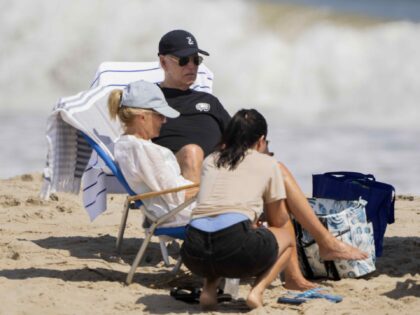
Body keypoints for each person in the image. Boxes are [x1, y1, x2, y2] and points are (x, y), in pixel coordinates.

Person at [180, 109, 368, 309]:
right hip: (232, 248)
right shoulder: (268, 163)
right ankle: (258, 291)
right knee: (286, 236)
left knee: (217, 234)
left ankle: (209, 290)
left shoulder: (211, 160)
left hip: (193, 253)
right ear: (261, 141)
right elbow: (278, 220)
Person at [108, 79, 198, 227]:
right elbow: (176, 194)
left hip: (168, 211)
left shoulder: (125, 145)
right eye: (160, 115)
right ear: (142, 117)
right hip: (179, 215)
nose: (164, 121)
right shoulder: (143, 150)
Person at [153, 29, 231, 183]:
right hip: (175, 177)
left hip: (220, 175)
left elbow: (239, 138)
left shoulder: (210, 101)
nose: (191, 66)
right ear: (163, 62)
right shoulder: (149, 99)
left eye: (196, 60)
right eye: (183, 60)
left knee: (275, 167)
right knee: (191, 153)